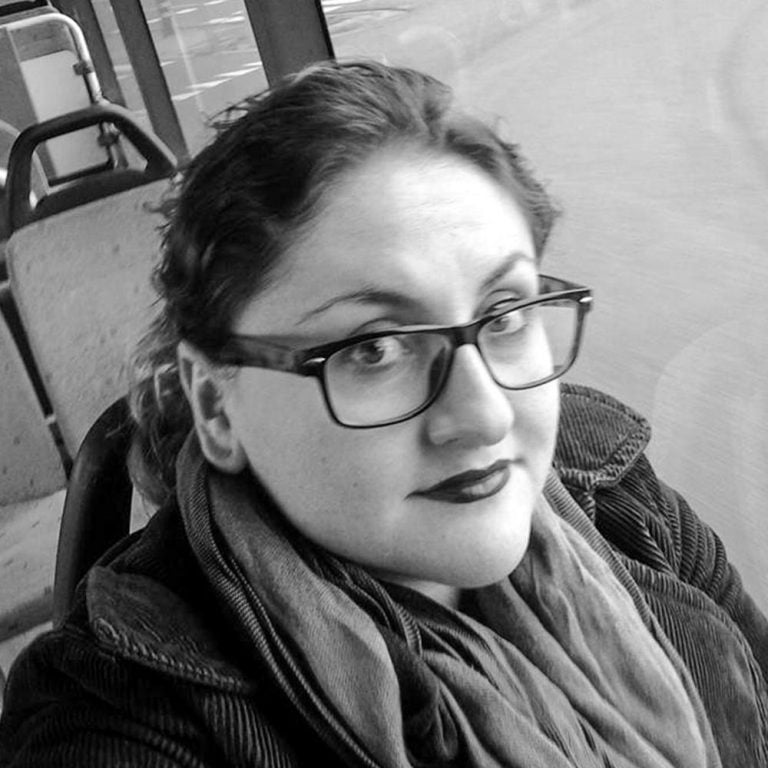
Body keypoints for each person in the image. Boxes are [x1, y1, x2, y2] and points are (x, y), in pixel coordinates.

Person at [0, 61, 766, 767]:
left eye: (504, 315)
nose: (485, 418)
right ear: (214, 403)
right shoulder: (118, 717)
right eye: (374, 348)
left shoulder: (618, 488)